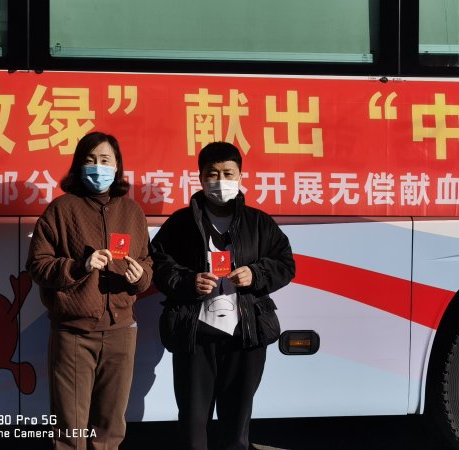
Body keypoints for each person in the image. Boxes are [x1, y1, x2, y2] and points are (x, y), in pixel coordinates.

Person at [151, 142, 295, 450]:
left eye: (228, 173)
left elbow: (286, 264)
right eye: (213, 174)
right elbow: (157, 265)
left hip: (246, 336)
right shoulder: (180, 223)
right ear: (201, 178)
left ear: (241, 176)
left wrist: (256, 274)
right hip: (194, 335)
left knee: (236, 429)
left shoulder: (259, 222)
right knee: (193, 428)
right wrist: (188, 281)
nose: (220, 181)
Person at [26, 131, 153, 450]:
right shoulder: (60, 210)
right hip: (74, 333)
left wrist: (141, 276)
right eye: (90, 160)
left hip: (121, 331)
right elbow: (37, 266)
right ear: (78, 166)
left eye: (105, 160)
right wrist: (79, 266)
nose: (98, 167)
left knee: (110, 428)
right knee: (70, 429)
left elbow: (147, 262)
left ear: (117, 166)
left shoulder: (132, 212)